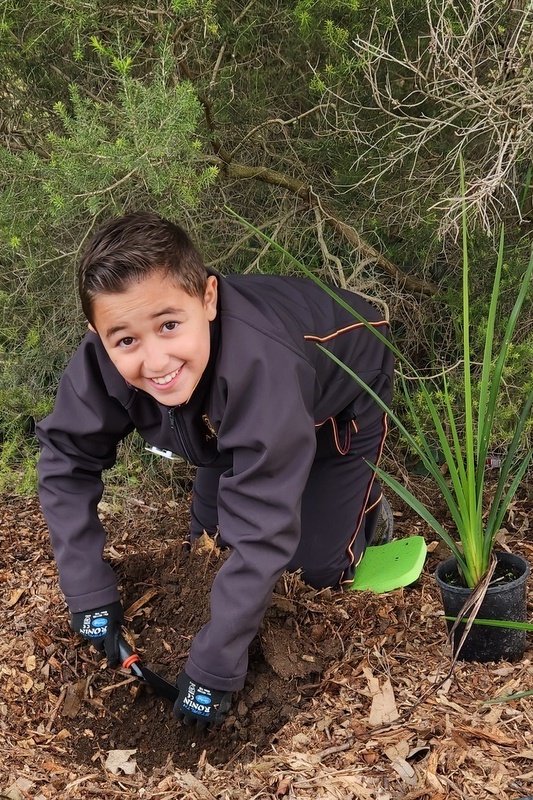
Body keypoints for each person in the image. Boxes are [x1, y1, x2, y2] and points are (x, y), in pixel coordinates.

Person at [36, 212, 394, 729]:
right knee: (210, 553)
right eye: (126, 340)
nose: (154, 361)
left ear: (207, 298)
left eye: (168, 325)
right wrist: (88, 592)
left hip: (342, 387)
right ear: (98, 333)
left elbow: (264, 531)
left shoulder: (264, 367)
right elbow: (65, 460)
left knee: (313, 572)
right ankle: (269, 461)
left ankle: (366, 509)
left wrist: (214, 668)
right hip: (235, 419)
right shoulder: (103, 362)